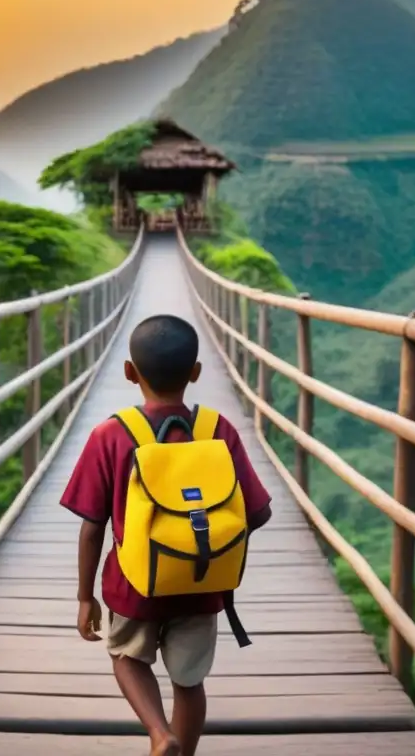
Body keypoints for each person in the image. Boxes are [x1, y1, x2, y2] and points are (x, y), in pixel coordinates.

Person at [60, 314, 273, 756]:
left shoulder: (111, 435)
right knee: (190, 682)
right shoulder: (218, 430)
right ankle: (183, 751)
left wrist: (85, 597)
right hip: (202, 585)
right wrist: (207, 542)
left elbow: (91, 527)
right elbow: (258, 512)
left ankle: (160, 734)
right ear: (195, 373)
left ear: (129, 372)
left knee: (126, 657)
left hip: (133, 586)